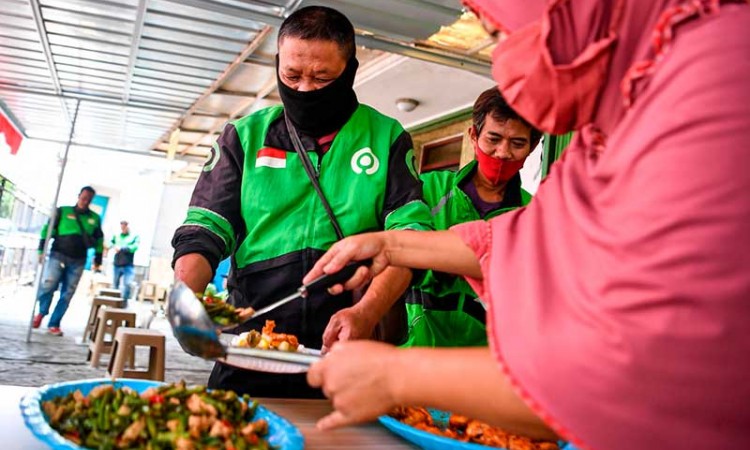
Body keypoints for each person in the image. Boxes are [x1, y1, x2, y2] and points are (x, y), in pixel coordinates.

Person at [303, 1, 750, 449]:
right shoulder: (620, 109)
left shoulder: (719, 81)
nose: (501, 62)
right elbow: (532, 240)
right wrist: (392, 247)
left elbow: (636, 374)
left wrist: (394, 375)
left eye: (499, 35)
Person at [171, 6, 432, 398]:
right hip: (251, 342)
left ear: (350, 71)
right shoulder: (244, 135)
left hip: (346, 346)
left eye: (322, 77)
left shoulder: (386, 137)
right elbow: (205, 227)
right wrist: (185, 298)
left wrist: (366, 313)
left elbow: (412, 237)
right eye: (291, 76)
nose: (304, 89)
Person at [404, 87, 540, 348]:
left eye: (518, 143)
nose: (503, 152)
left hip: (483, 363)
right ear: (473, 136)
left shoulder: (533, 215)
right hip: (413, 348)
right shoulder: (426, 190)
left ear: (532, 148)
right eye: (494, 138)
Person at [33, 186, 104, 336]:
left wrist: (98, 260)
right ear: (79, 196)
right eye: (83, 198)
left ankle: (54, 323)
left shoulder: (95, 218)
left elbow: (99, 240)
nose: (85, 201)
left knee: (67, 293)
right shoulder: (63, 211)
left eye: (88, 199)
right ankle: (41, 312)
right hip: (58, 254)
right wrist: (41, 249)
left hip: (78, 260)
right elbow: (48, 229)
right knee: (48, 285)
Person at [109, 220, 139, 303]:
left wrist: (122, 248)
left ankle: (123, 303)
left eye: (125, 225)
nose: (123, 227)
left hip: (128, 265)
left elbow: (135, 247)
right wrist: (114, 246)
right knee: (115, 284)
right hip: (117, 263)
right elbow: (110, 242)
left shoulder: (134, 236)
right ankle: (113, 303)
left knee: (127, 284)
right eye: (122, 226)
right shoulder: (117, 235)